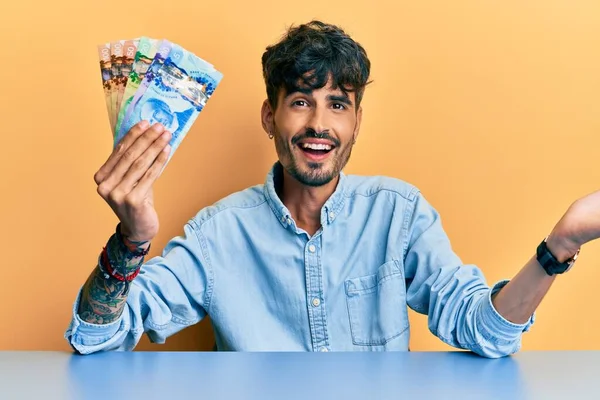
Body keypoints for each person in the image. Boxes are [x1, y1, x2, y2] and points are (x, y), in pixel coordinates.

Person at [66, 20, 599, 357]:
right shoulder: (217, 235)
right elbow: (95, 339)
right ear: (269, 118)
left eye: (338, 104)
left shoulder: (400, 215)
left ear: (356, 123)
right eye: (300, 101)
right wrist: (130, 240)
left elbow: (486, 332)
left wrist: (561, 245)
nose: (319, 123)